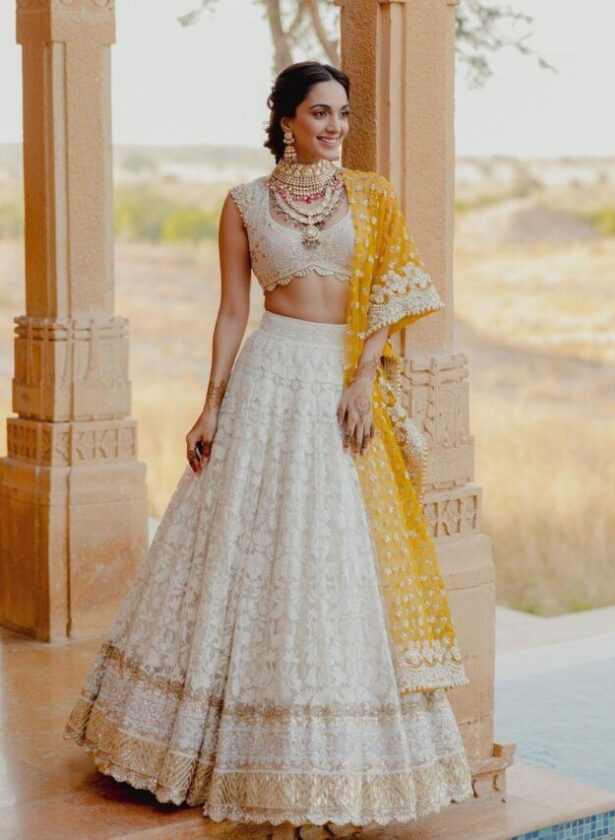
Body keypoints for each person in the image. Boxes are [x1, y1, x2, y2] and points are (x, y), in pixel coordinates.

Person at [63, 60, 474, 838]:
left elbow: (389, 289)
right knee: (244, 556)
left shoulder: (373, 196)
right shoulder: (246, 204)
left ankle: (338, 757)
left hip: (338, 384)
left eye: (343, 114)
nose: (335, 128)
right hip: (268, 378)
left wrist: (361, 379)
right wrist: (209, 404)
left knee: (337, 558)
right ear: (285, 118)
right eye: (320, 113)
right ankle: (209, 747)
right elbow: (230, 312)